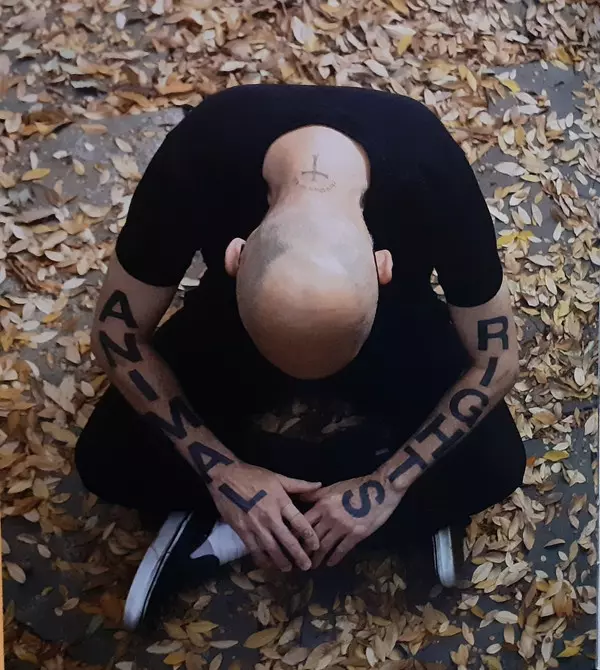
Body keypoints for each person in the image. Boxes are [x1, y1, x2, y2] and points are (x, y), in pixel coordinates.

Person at [75, 84, 525, 630]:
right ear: (236, 255)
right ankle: (363, 516)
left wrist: (387, 484)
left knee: (498, 462)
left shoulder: (430, 166)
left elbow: (498, 358)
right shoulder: (200, 153)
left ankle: (244, 528)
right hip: (244, 317)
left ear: (383, 265)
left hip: (387, 321)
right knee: (104, 457)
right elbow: (117, 332)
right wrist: (224, 473)